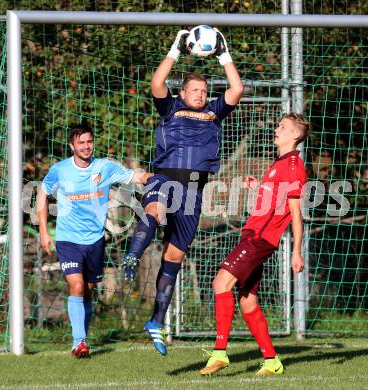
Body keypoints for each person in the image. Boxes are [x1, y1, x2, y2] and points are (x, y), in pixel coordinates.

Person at [122, 28, 243, 355]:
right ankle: (132, 255)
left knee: (174, 256)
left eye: (204, 90)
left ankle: (156, 321)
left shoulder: (213, 113)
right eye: (195, 90)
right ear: (183, 91)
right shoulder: (170, 108)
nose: (200, 94)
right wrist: (176, 48)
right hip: (164, 177)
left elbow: (237, 88)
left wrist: (224, 55)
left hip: (193, 189)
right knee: (154, 210)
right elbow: (156, 83)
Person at [200, 113, 310, 376]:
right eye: (277, 125)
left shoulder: (294, 164)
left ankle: (219, 353)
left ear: (295, 135)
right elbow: (277, 199)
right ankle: (272, 361)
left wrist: (296, 252)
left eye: (282, 127)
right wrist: (258, 186)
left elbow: (295, 212)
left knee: (220, 283)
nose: (276, 129)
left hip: (261, 239)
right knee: (248, 300)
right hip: (254, 235)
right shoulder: (281, 163)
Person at [37, 124, 152, 358]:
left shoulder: (105, 167)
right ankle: (78, 343)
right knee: (77, 286)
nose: (86, 146)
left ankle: (82, 338)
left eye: (89, 142)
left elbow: (136, 176)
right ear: (72, 146)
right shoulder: (60, 170)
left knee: (88, 290)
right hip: (68, 239)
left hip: (96, 240)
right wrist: (43, 231)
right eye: (81, 143)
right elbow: (42, 192)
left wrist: (159, 177)